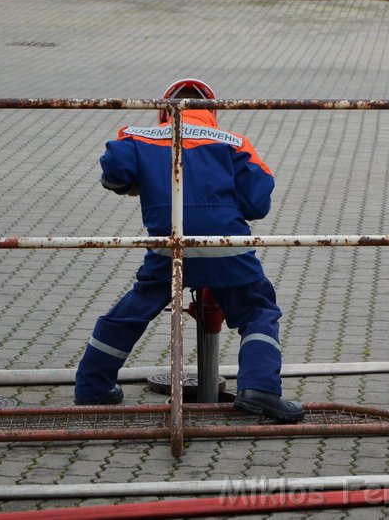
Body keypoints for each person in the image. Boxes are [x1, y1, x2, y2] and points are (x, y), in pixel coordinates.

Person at [73, 79, 305, 424]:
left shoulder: (136, 136)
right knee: (258, 311)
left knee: (134, 309)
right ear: (213, 111)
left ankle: (92, 386)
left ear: (162, 110)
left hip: (169, 247)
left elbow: (114, 174)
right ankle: (259, 389)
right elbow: (257, 203)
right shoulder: (234, 142)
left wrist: (139, 182)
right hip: (226, 249)